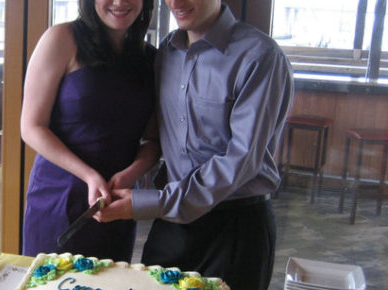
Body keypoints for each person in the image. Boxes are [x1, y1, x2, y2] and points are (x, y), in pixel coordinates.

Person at [95, 0, 293, 289]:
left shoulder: (260, 56)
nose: (176, 2)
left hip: (235, 226)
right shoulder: (166, 52)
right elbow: (160, 136)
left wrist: (150, 203)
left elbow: (242, 159)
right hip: (171, 225)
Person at [20, 0, 159, 262]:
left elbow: (154, 140)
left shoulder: (151, 58)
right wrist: (88, 175)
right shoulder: (61, 38)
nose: (120, 2)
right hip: (57, 197)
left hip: (116, 203)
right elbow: (31, 127)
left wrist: (131, 174)